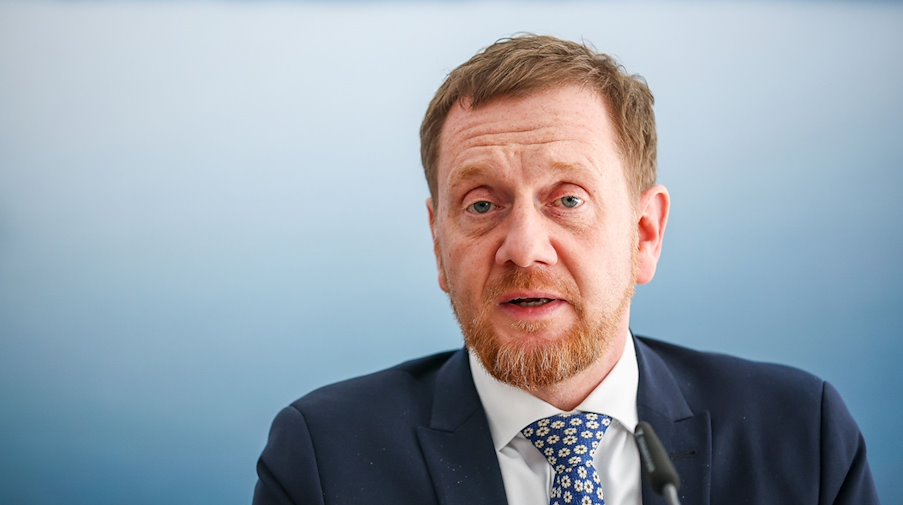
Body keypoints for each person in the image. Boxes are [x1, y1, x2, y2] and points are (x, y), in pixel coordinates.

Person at [253, 35, 878, 505]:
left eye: (569, 200)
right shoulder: (322, 459)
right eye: (481, 204)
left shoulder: (802, 436)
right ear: (440, 245)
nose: (524, 248)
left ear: (644, 234)